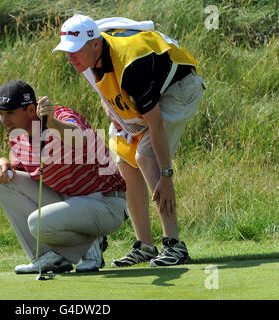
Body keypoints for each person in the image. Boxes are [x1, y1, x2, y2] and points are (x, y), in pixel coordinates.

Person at [53, 14, 205, 267]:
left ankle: (175, 245)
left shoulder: (132, 66)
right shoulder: (87, 56)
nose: (70, 58)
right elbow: (102, 89)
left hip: (180, 87)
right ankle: (145, 246)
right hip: (152, 90)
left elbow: (155, 123)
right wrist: (116, 114)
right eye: (66, 51)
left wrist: (166, 176)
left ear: (95, 44)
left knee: (146, 156)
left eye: (74, 51)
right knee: (124, 159)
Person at [0, 80, 127, 274]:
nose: (4, 121)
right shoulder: (18, 137)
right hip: (70, 203)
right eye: (0, 114)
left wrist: (52, 123)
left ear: (30, 110)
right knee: (0, 184)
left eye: (10, 113)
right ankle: (49, 257)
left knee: (37, 222)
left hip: (106, 202)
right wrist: (2, 162)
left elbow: (81, 139)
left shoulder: (61, 116)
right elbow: (16, 171)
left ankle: (90, 244)